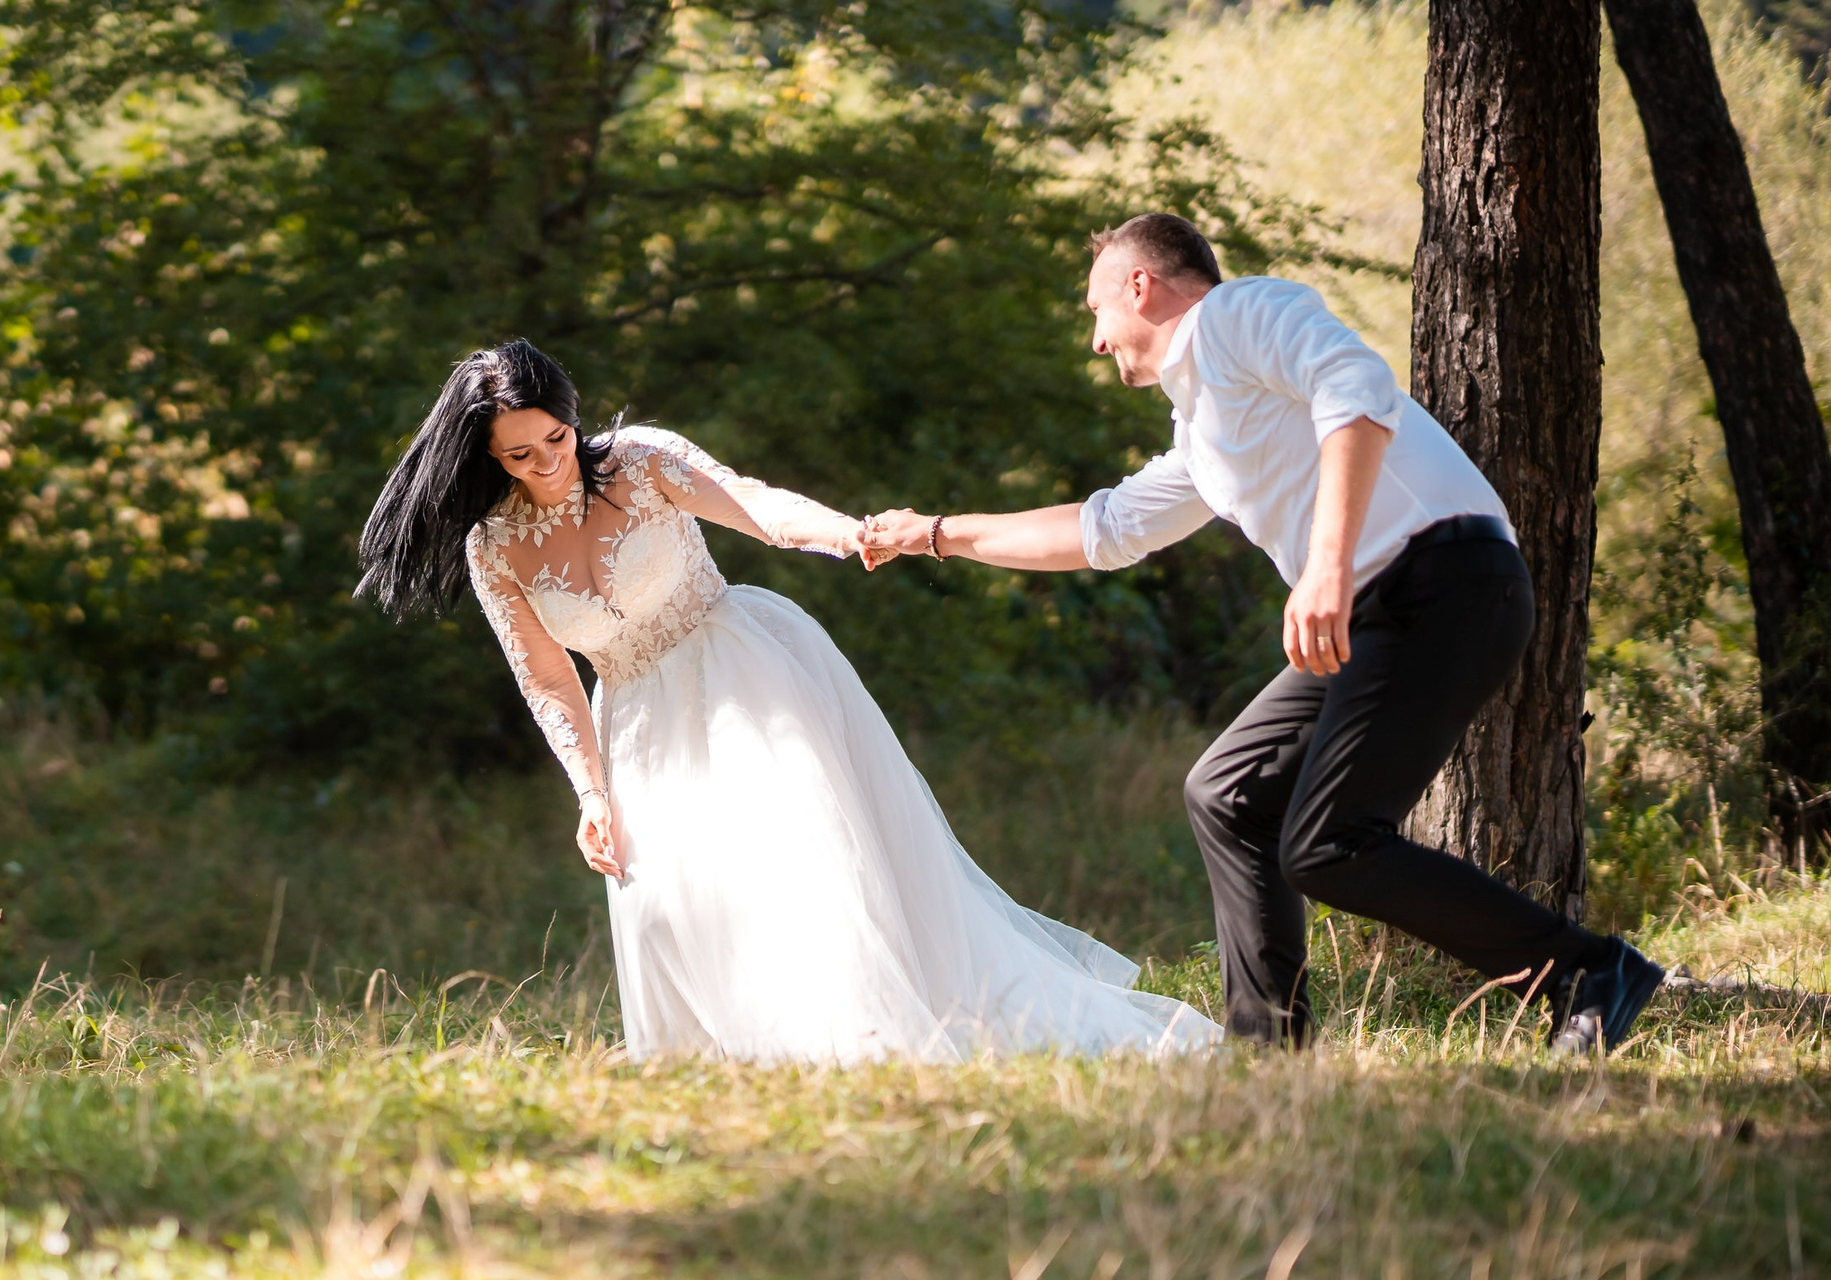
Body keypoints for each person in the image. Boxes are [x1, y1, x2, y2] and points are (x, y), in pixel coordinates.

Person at [861, 213, 1663, 1055]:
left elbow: (1357, 385)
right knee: (1228, 792)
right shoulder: (1204, 427)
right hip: (1382, 602)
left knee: (1326, 842)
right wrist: (937, 532)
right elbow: (1103, 529)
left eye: (1095, 310)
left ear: (1142, 286)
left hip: (1444, 583)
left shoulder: (1240, 316)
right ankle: (1267, 1047)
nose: (1096, 342)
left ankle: (1589, 970)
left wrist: (1325, 565)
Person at [358, 340, 1216, 1063]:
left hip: (740, 667)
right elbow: (546, 674)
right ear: (488, 457)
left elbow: (757, 507)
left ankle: (864, 1042)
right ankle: (737, 1060)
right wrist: (590, 790)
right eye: (520, 455)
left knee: (797, 860)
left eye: (555, 438)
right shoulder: (493, 546)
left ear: (571, 416)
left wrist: (848, 534)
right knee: (673, 900)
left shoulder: (641, 461)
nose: (547, 464)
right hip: (637, 718)